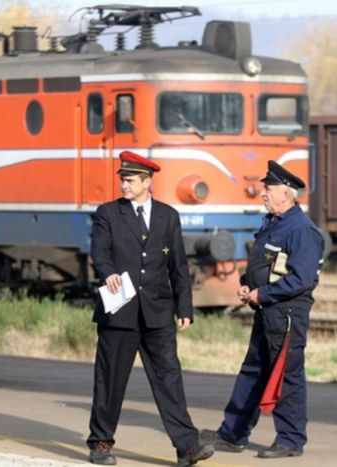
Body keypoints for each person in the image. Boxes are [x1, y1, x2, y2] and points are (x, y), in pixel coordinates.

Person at [87, 150, 215, 466]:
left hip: (158, 313)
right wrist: (108, 273)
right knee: (111, 379)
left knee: (169, 379)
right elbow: (99, 252)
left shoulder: (168, 216)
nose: (124, 185)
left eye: (130, 180)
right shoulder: (108, 214)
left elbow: (178, 266)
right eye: (122, 179)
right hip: (120, 313)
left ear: (147, 181)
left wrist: (184, 307)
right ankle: (101, 443)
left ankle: (187, 447)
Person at [200, 160, 324, 459]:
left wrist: (262, 293)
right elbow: (264, 265)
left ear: (286, 193)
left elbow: (302, 279)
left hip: (286, 314)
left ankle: (291, 440)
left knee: (286, 375)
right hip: (268, 309)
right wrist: (246, 284)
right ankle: (233, 433)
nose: (262, 194)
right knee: (253, 371)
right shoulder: (274, 222)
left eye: (268, 189)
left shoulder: (301, 230)